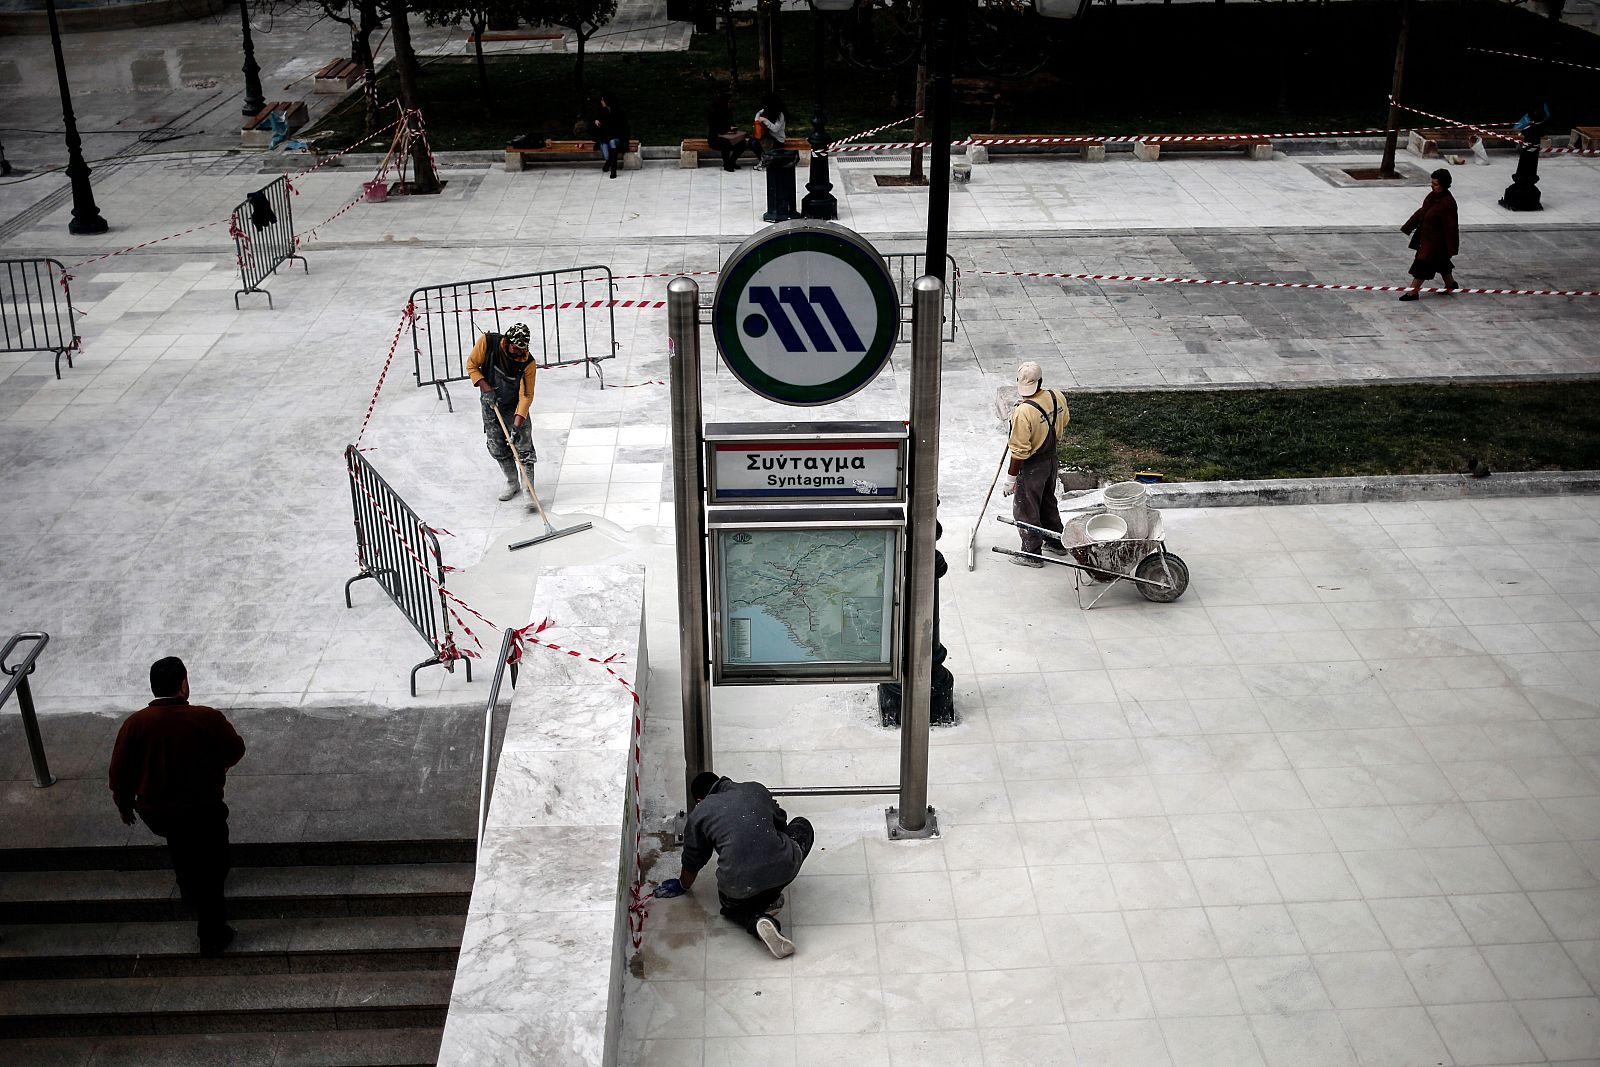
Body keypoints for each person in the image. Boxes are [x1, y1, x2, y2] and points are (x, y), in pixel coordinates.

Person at [109, 658, 246, 957]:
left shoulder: (134, 724)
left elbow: (120, 772)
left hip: (158, 812)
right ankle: (212, 934)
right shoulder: (205, 718)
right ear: (183, 684)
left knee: (180, 844)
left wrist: (125, 805)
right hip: (202, 807)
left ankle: (188, 889)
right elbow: (235, 749)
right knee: (212, 866)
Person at [652, 772, 813, 959]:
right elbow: (781, 821)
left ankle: (756, 920)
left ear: (699, 799)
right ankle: (770, 896)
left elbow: (693, 859)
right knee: (802, 825)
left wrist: (682, 885)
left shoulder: (701, 812)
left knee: (731, 907)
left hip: (739, 888)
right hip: (783, 869)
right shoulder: (755, 789)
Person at [1003, 360, 1070, 567]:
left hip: (1032, 467)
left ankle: (1032, 554)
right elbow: (1064, 420)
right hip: (1051, 459)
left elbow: (1019, 451)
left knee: (1026, 508)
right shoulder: (1055, 396)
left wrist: (1010, 479)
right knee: (1047, 501)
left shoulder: (1023, 412)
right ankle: (1056, 542)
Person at [466, 322, 538, 502]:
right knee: (496, 445)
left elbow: (527, 396)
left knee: (523, 447)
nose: (519, 353)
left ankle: (529, 489)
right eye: (516, 349)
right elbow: (472, 365)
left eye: (523, 349)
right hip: (491, 405)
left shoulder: (527, 362)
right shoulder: (488, 343)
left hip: (514, 406)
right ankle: (512, 482)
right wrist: (485, 387)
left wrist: (516, 424)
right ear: (506, 341)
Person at [1398, 169, 1460, 302]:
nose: (1432, 186)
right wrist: (1408, 226)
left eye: (1435, 184)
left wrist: (1451, 248)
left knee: (1422, 264)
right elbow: (1422, 211)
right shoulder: (1432, 196)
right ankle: (1451, 284)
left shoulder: (1447, 203)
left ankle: (1413, 292)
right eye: (1432, 183)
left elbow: (1451, 227)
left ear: (1444, 185)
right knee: (1441, 262)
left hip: (1435, 243)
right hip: (1426, 238)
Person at [593, 92, 630, 180]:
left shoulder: (619, 113)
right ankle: (608, 162)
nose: (601, 102)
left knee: (612, 142)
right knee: (606, 151)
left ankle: (613, 170)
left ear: (607, 101)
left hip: (617, 138)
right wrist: (596, 120)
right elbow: (597, 122)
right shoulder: (603, 111)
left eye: (603, 100)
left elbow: (623, 129)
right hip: (605, 138)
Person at [707, 89, 745, 173]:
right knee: (725, 143)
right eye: (729, 102)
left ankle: (731, 162)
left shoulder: (728, 112)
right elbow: (715, 129)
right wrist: (727, 130)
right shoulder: (714, 113)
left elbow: (732, 124)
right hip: (716, 139)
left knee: (742, 143)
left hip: (729, 136)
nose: (730, 104)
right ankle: (726, 164)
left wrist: (733, 129)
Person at [748, 93, 787, 171]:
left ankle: (764, 160)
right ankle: (763, 159)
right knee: (751, 142)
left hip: (777, 140)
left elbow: (775, 129)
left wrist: (765, 120)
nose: (765, 106)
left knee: (755, 143)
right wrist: (758, 121)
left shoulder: (780, 114)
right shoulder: (767, 110)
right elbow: (758, 114)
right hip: (768, 137)